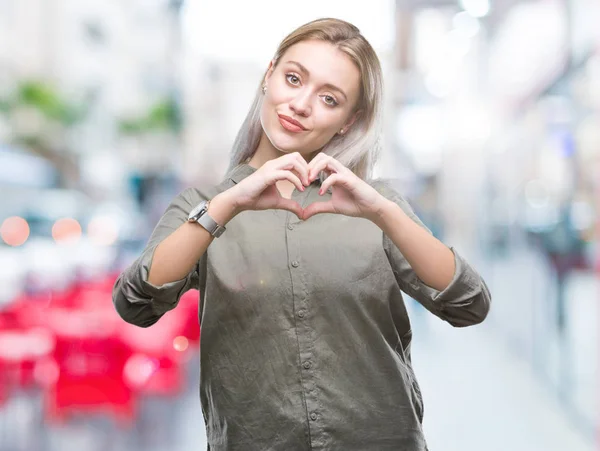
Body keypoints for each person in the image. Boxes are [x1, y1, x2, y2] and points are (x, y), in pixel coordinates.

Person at [113, 17, 491, 451]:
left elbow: (470, 304)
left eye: (329, 98)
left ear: (349, 121)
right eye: (293, 79)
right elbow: (135, 303)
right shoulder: (201, 206)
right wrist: (228, 205)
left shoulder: (376, 205)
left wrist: (385, 214)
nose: (301, 104)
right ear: (269, 74)